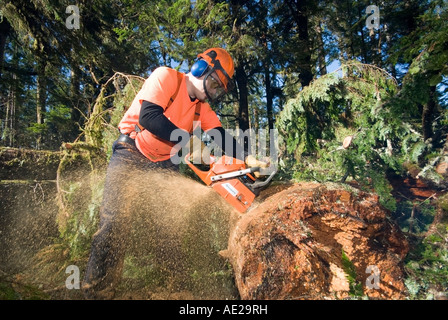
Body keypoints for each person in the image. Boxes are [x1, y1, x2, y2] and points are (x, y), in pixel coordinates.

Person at [81, 48, 267, 299]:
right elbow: (149, 117)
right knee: (114, 223)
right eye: (213, 82)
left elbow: (220, 136)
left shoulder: (202, 109)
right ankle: (96, 292)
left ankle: (175, 290)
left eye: (218, 89)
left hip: (164, 161)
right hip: (131, 150)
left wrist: (246, 158)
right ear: (201, 69)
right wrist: (188, 141)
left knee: (170, 226)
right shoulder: (166, 77)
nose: (213, 91)